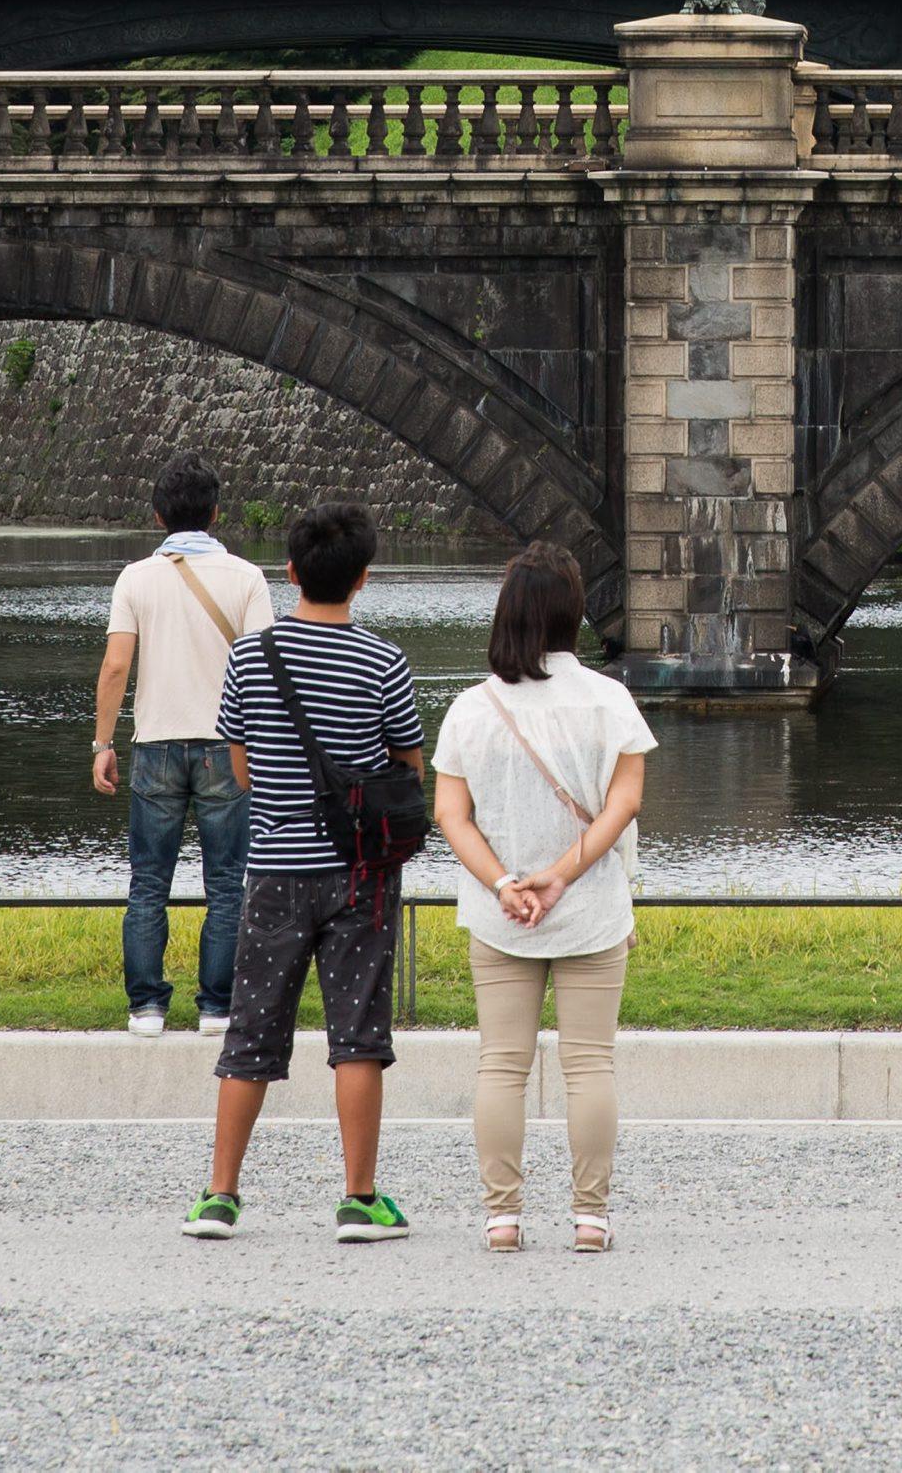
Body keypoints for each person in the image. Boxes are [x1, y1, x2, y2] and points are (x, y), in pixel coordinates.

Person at [191, 501, 427, 1243]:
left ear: (289, 572)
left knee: (252, 1032)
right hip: (359, 874)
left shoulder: (250, 658)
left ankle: (220, 1196)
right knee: (357, 1034)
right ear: (363, 580)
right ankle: (359, 1198)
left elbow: (240, 767)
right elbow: (408, 769)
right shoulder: (383, 662)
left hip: (273, 871)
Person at [434, 541, 657, 1253]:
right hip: (588, 907)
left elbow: (451, 816)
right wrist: (562, 875)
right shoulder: (608, 700)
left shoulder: (472, 708)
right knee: (589, 1064)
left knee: (502, 1063)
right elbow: (623, 804)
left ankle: (503, 1218)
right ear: (573, 613)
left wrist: (504, 881)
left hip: (501, 915)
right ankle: (590, 1217)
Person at [94, 456, 276, 1035]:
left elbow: (116, 666)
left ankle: (146, 1005)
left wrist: (103, 742)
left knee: (148, 881)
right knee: (227, 881)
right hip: (229, 745)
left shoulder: (135, 578)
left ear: (157, 515)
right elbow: (263, 671)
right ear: (216, 513)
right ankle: (217, 1006)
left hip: (157, 746)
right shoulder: (247, 578)